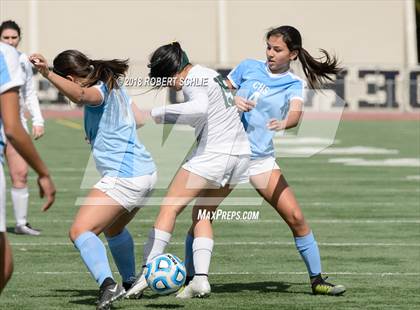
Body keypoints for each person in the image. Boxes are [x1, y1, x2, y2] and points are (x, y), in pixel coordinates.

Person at [185, 25, 346, 296]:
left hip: (260, 160)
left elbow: (296, 115)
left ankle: (317, 280)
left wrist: (285, 122)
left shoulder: (294, 83)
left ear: (293, 54)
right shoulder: (248, 67)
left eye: (277, 49)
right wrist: (233, 98)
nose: (270, 53)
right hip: (228, 155)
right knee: (203, 213)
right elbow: (219, 94)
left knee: (296, 217)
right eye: (269, 47)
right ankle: (192, 277)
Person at [30, 50, 157, 309]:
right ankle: (132, 282)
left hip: (125, 176)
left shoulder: (98, 89)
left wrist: (45, 73)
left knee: (79, 231)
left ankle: (108, 285)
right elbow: (139, 120)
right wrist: (106, 130)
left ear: (70, 77)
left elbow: (80, 95)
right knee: (113, 229)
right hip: (146, 173)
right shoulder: (112, 82)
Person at [125, 42, 250, 299]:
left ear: (174, 71)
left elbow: (198, 109)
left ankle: (145, 274)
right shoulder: (209, 74)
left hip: (214, 156)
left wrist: (155, 113)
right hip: (240, 156)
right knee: (202, 213)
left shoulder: (193, 79)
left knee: (169, 208)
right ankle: (200, 280)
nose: (168, 86)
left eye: (165, 80)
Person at [0, 41, 55, 294]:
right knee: (3, 265)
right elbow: (12, 127)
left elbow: (28, 96)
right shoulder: (5, 55)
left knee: (6, 264)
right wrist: (43, 172)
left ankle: (22, 222)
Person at [0, 20, 45, 236]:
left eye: (13, 37)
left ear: (19, 38)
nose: (10, 41)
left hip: (15, 123)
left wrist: (38, 120)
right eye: (5, 38)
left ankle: (21, 223)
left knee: (21, 172)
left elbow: (29, 93)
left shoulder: (23, 61)